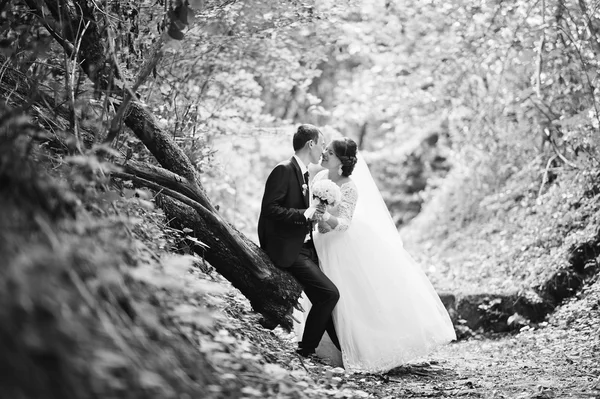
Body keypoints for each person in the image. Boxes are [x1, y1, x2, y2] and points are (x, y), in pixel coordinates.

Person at [302, 136, 456, 373]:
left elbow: (344, 223)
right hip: (321, 243)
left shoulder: (349, 187)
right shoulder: (320, 178)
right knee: (322, 294)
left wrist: (323, 217)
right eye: (326, 150)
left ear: (341, 160)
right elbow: (313, 209)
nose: (324, 154)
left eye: (330, 152)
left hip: (342, 246)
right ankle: (323, 347)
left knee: (352, 298)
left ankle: (364, 349)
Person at [257, 124, 341, 358]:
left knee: (326, 299)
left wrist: (312, 218)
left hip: (304, 248)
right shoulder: (283, 170)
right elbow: (270, 210)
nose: (323, 149)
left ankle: (345, 352)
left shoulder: (304, 173)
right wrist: (304, 213)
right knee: (329, 294)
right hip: (289, 251)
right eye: (322, 144)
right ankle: (305, 350)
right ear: (310, 144)